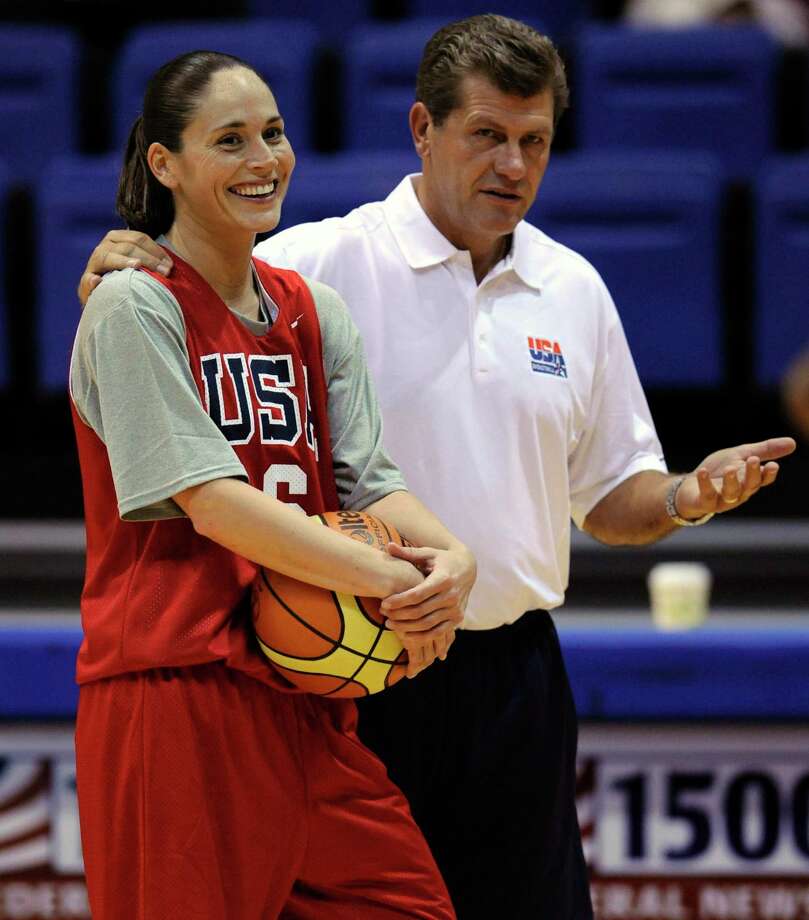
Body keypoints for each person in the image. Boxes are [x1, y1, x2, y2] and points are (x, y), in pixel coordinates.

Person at [78, 16, 796, 920]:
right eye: (487, 136)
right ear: (423, 129)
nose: (513, 165)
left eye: (534, 141)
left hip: (513, 675)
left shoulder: (569, 286)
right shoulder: (321, 258)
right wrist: (116, 262)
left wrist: (687, 497)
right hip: (344, 658)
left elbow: (607, 498)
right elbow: (186, 286)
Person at [70, 49, 477, 920]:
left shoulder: (311, 309)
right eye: (230, 141)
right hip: (174, 688)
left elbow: (369, 484)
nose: (263, 160)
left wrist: (450, 559)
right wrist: (385, 578)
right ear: (164, 165)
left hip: (304, 688)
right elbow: (208, 498)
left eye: (274, 134)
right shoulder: (132, 303)